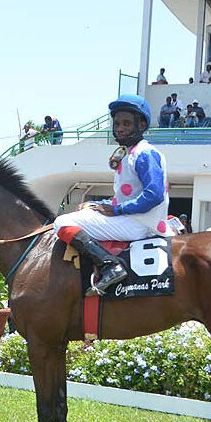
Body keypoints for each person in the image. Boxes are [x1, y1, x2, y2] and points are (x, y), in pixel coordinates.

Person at [53, 94, 168, 295]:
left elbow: (154, 195)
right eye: (116, 123)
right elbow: (125, 196)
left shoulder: (145, 153)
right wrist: (99, 204)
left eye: (126, 123)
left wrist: (116, 209)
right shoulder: (129, 153)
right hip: (133, 218)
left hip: (139, 223)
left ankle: (110, 266)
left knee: (62, 223)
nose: (120, 128)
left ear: (141, 125)